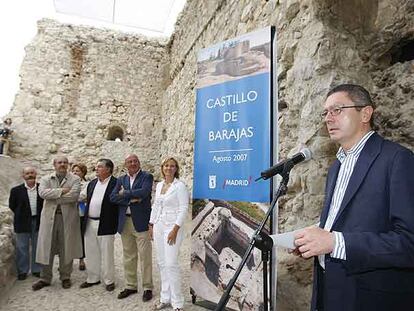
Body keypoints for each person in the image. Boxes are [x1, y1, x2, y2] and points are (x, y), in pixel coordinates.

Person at [293, 84, 414, 311]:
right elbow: (347, 221)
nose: (328, 118)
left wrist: (334, 242)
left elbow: (409, 242)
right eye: (325, 112)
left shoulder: (398, 160)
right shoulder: (336, 166)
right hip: (330, 294)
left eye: (337, 110)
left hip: (371, 299)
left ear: (365, 113)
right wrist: (313, 236)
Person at [32, 156, 82, 290]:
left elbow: (74, 196)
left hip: (68, 218)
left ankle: (65, 277)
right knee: (47, 246)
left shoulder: (75, 179)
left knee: (66, 247)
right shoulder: (45, 179)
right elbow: (42, 193)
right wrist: (61, 191)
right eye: (59, 162)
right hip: (49, 218)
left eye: (65, 162)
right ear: (54, 164)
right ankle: (45, 278)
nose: (62, 164)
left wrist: (53, 196)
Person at [110, 154, 154, 301]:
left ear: (139, 163)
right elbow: (113, 197)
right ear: (125, 164)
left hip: (141, 222)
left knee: (145, 256)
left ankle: (147, 287)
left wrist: (125, 193)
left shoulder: (147, 177)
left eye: (135, 161)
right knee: (129, 256)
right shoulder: (121, 179)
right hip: (125, 222)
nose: (133, 163)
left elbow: (144, 192)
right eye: (130, 162)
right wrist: (130, 200)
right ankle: (131, 285)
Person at [149, 157, 189, 311]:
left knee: (171, 264)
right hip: (159, 225)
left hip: (173, 228)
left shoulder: (180, 186)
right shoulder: (159, 185)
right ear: (162, 167)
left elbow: (184, 208)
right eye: (166, 165)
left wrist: (175, 229)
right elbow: (155, 206)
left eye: (172, 166)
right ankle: (165, 298)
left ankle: (177, 303)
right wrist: (151, 225)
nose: (169, 168)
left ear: (176, 169)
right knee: (161, 263)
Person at [79, 159, 118, 291]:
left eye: (100, 167)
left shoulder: (116, 183)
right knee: (91, 251)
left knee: (107, 253)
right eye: (96, 167)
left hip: (106, 223)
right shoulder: (92, 183)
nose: (96, 169)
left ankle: (109, 280)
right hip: (89, 222)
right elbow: (82, 197)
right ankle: (93, 278)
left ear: (108, 169)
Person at [8, 166, 44, 280]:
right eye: (27, 173)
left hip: (38, 221)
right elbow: (12, 206)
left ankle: (37, 269)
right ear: (23, 176)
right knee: (22, 247)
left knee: (37, 246)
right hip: (22, 222)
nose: (30, 175)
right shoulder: (16, 190)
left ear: (36, 174)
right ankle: (23, 271)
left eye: (32, 173)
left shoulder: (41, 188)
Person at [71, 163, 88, 271]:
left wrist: (70, 195)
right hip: (70, 214)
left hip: (81, 214)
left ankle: (81, 260)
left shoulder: (87, 184)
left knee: (81, 237)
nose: (75, 173)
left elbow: (83, 196)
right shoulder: (68, 183)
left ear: (83, 173)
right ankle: (68, 261)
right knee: (69, 237)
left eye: (77, 171)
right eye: (74, 171)